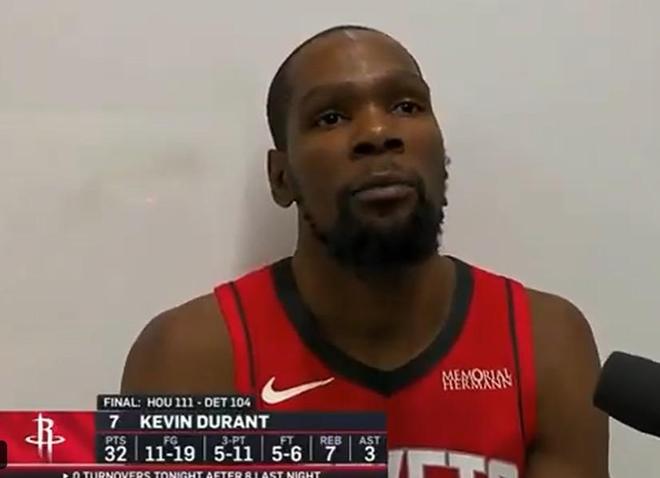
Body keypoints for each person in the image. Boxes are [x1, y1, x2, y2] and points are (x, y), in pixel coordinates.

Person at [121, 25, 610, 477]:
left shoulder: (546, 344)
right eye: (330, 117)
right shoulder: (188, 358)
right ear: (281, 177)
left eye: (407, 106)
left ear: (442, 155)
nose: (379, 133)